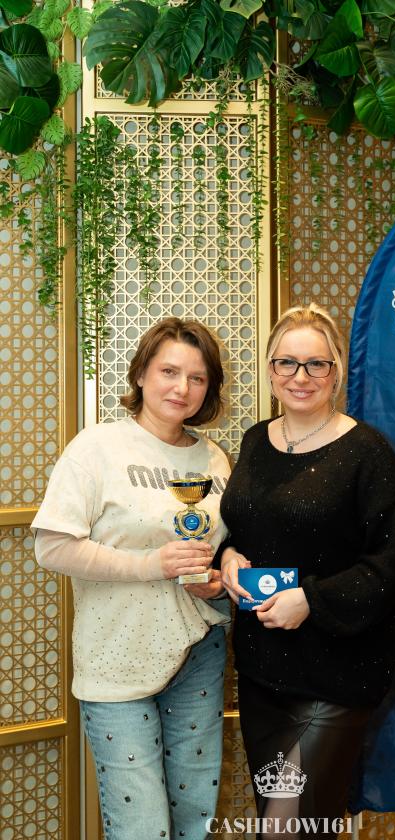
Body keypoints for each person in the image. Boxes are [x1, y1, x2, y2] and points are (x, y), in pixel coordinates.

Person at [220, 304, 395, 839]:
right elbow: (248, 529)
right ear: (269, 370)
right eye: (286, 362)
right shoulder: (255, 440)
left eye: (316, 364)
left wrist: (312, 599)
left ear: (337, 372)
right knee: (292, 824)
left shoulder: (367, 452)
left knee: (288, 827)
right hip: (263, 673)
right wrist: (229, 555)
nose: (300, 377)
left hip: (335, 676)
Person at [32, 317, 231, 840]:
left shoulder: (213, 458)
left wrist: (214, 582)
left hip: (198, 652)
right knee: (140, 826)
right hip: (116, 656)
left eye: (197, 377)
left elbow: (219, 549)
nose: (182, 387)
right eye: (169, 371)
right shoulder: (96, 448)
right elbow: (52, 547)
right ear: (141, 373)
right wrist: (152, 565)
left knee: (196, 820)